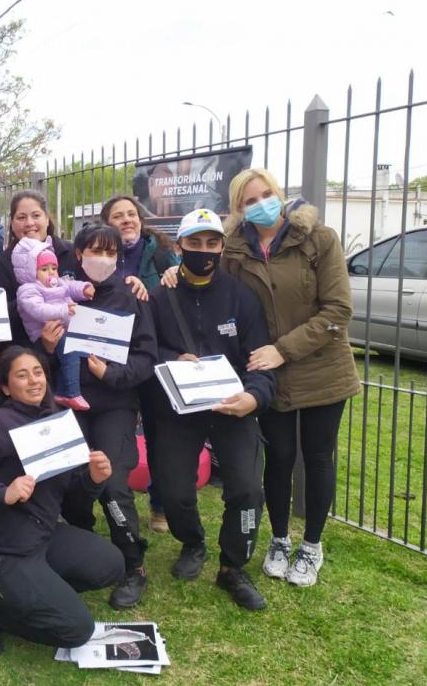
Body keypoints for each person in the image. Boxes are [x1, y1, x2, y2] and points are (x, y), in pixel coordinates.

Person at [223, 168, 360, 587]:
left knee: (317, 457)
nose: (260, 204)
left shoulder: (319, 239)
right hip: (268, 373)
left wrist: (284, 349)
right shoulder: (234, 251)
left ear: (279, 195)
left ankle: (311, 545)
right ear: (238, 209)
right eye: (248, 200)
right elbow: (217, 294)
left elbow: (337, 310)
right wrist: (175, 274)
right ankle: (280, 539)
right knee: (279, 457)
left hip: (321, 366)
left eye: (266, 194)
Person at [0, 347, 123, 657]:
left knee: (111, 565)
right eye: (22, 375)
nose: (33, 381)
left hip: (41, 537)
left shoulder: (58, 423)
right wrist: (3, 493)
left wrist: (94, 479)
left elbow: (72, 503)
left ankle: (29, 592)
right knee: (75, 630)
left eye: (38, 372)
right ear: (5, 387)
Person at [147, 208, 275, 611]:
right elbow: (145, 351)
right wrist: (171, 357)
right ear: (180, 245)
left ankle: (232, 567)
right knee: (173, 488)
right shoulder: (160, 296)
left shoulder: (242, 296)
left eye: (211, 243)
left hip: (232, 405)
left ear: (222, 247)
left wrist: (254, 396)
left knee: (248, 489)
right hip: (178, 407)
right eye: (194, 243)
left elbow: (260, 359)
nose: (203, 251)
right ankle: (192, 542)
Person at [50, 223, 158, 609]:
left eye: (111, 253)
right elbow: (36, 353)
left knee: (111, 483)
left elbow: (146, 357)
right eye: (95, 251)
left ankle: (133, 565)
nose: (103, 259)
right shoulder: (60, 292)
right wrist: (47, 344)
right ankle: (83, 549)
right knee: (70, 480)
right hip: (68, 405)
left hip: (114, 403)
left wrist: (111, 374)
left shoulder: (131, 296)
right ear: (78, 255)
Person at [100, 194, 180, 533]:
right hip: (111, 357)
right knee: (116, 434)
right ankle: (109, 493)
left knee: (158, 432)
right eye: (118, 216)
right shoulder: (100, 253)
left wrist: (153, 281)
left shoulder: (160, 253)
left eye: (131, 214)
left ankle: (160, 505)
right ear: (107, 223)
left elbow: (175, 295)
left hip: (153, 352)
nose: (127, 220)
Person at [0, 190, 80, 349]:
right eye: (21, 217)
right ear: (11, 224)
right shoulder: (0, 265)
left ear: (47, 219)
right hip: (24, 355)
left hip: (76, 348)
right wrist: (27, 303)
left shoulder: (71, 253)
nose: (29, 223)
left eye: (36, 215)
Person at [12, 237, 94, 410]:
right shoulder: (28, 289)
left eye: (54, 268)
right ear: (30, 271)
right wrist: (64, 310)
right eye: (44, 269)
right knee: (71, 353)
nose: (51, 273)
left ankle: (63, 391)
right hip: (43, 331)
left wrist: (84, 288)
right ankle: (72, 392)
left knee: (79, 351)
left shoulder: (57, 283)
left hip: (63, 326)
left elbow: (71, 286)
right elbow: (39, 310)